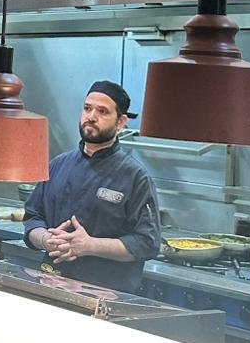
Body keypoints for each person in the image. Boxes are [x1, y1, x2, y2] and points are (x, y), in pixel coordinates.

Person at [22, 81, 161, 293]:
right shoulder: (57, 165)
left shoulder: (135, 177)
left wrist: (90, 246)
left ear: (121, 122)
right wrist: (46, 240)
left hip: (104, 295)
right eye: (87, 108)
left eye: (102, 111)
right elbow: (32, 218)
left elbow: (147, 242)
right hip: (51, 284)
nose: (91, 116)